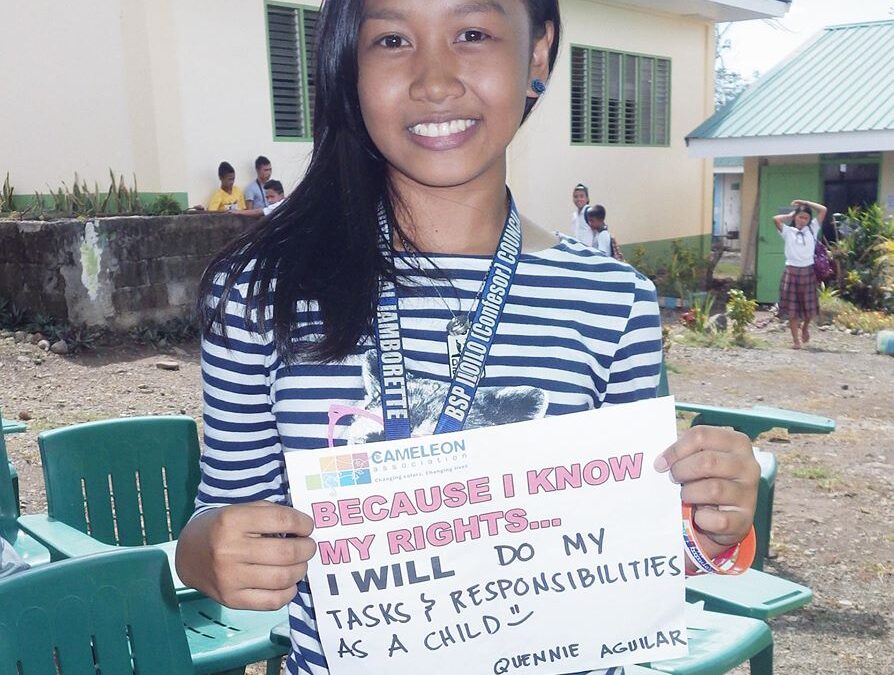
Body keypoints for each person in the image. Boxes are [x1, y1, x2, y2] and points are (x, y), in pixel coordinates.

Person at [175, 2, 759, 674]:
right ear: (348, 63)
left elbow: (630, 552)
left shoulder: (612, 300)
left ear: (537, 53)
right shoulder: (259, 290)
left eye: (473, 33)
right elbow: (218, 517)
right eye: (392, 40)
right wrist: (206, 554)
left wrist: (714, 523)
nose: (434, 79)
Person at [774, 198, 827, 349]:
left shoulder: (812, 229)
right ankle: (795, 341)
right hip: (791, 272)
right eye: (800, 217)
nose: (803, 220)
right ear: (795, 217)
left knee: (809, 308)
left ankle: (805, 327)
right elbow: (776, 219)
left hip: (807, 271)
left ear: (809, 220)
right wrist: (789, 215)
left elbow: (823, 210)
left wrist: (806, 203)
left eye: (806, 218)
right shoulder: (787, 231)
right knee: (792, 310)